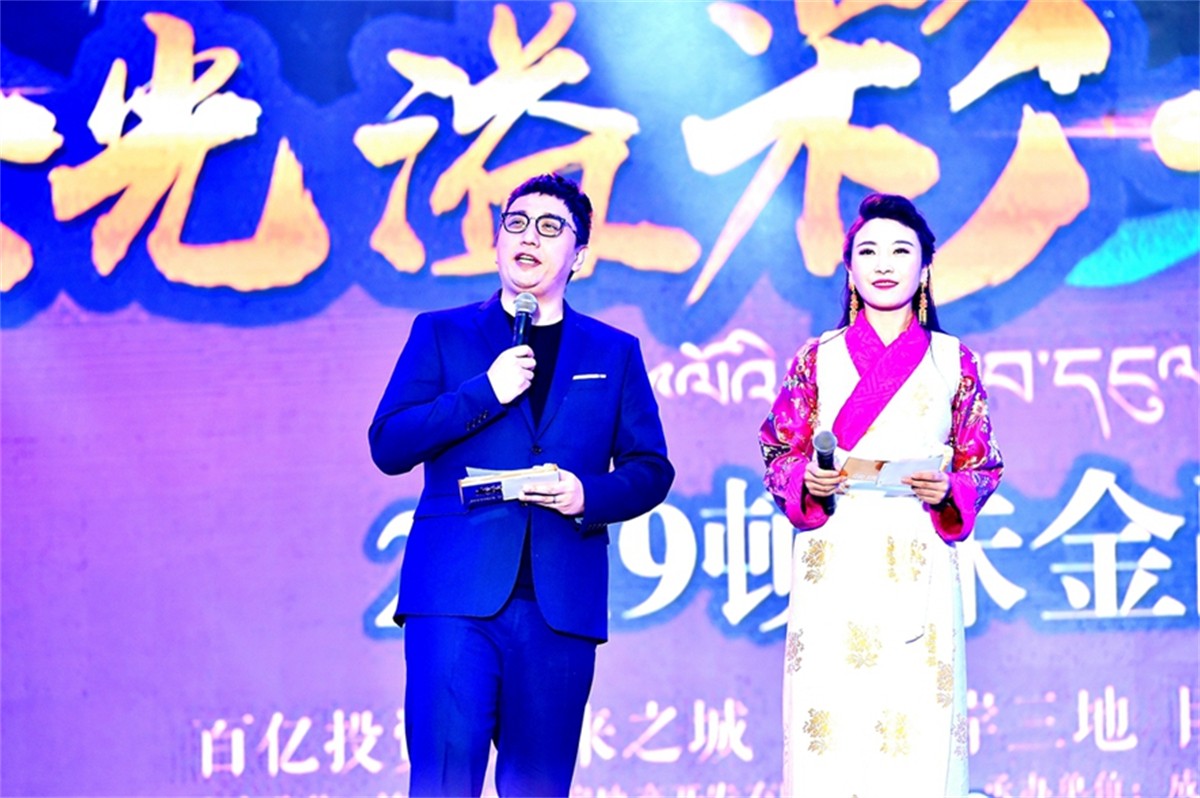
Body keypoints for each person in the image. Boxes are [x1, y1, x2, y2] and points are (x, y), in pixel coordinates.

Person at [369, 173, 674, 797]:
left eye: (550, 227)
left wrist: (587, 495)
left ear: (578, 256)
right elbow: (389, 443)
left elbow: (650, 468)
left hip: (559, 606)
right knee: (442, 783)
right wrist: (483, 392)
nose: (528, 237)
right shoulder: (442, 333)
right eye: (515, 223)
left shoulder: (613, 352)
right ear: (496, 244)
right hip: (453, 595)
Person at [759, 193, 1003, 797]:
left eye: (900, 250)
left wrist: (950, 487)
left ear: (925, 266)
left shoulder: (953, 361)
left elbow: (982, 463)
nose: (884, 263)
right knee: (832, 723)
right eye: (868, 251)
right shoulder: (817, 358)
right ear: (849, 269)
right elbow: (777, 448)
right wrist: (806, 480)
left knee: (917, 724)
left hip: (916, 550)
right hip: (835, 551)